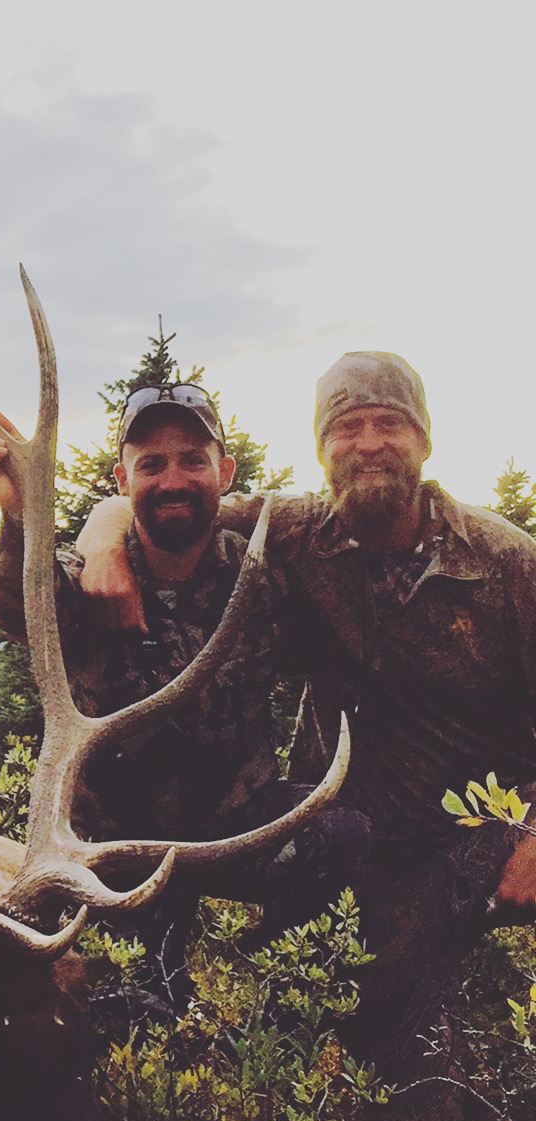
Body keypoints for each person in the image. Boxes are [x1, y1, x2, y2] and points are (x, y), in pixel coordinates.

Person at [76, 351, 536, 1081]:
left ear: (424, 440)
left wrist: (535, 836)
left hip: (477, 846)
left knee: (420, 1071)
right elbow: (168, 503)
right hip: (353, 840)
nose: (368, 444)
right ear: (322, 450)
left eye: (389, 424)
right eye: (345, 428)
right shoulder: (293, 532)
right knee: (331, 1050)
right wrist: (101, 541)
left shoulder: (508, 564)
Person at [0, 387, 338, 997]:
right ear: (122, 479)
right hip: (113, 848)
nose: (173, 480)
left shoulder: (265, 576)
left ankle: (272, 1000)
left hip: (232, 823)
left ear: (224, 471)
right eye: (151, 464)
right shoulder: (82, 580)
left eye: (192, 460)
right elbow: (16, 600)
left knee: (339, 840)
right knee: (136, 1008)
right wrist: (17, 514)